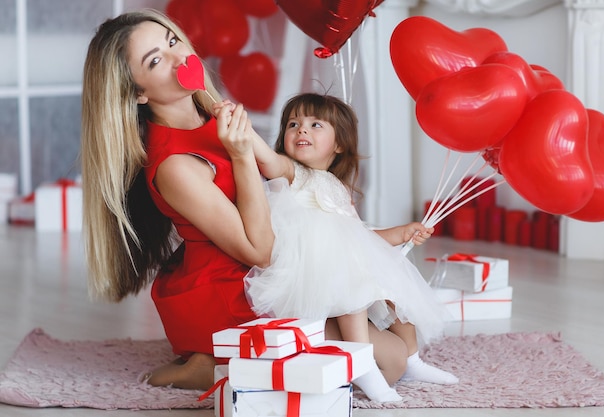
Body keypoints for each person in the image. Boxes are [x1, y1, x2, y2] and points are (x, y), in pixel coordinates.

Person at [81, 9, 410, 391]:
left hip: (270, 268)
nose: (178, 58)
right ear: (138, 92)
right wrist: (240, 156)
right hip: (231, 288)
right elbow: (260, 251)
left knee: (392, 317)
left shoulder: (210, 115)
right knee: (389, 359)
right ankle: (212, 364)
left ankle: (221, 359)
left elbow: (278, 176)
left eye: (173, 42)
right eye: (155, 60)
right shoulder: (175, 166)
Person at [240, 93, 459, 401]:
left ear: (339, 145)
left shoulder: (337, 187)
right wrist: (243, 127)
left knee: (395, 285)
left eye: (315, 124)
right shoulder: (293, 173)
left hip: (345, 263)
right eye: (293, 124)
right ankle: (362, 363)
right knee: (350, 280)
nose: (302, 130)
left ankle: (412, 359)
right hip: (315, 271)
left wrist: (401, 233)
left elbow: (358, 236)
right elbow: (266, 158)